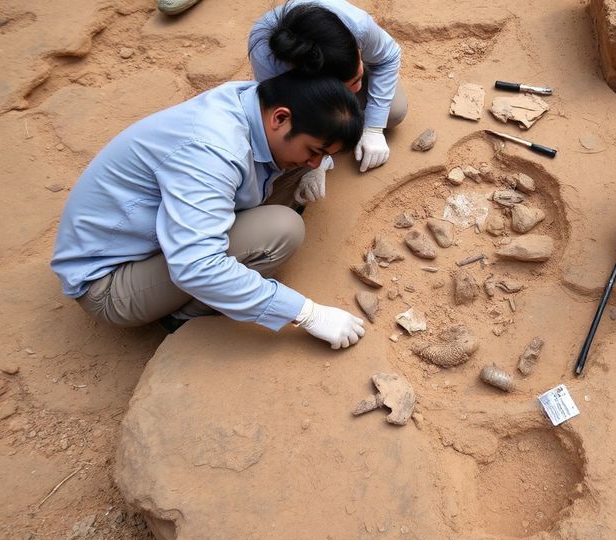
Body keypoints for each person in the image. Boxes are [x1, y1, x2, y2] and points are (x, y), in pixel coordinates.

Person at [51, 71, 368, 349]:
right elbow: (196, 266)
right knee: (282, 229)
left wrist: (317, 164)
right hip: (110, 284)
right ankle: (183, 316)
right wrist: (305, 313)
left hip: (145, 236)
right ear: (280, 118)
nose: (317, 161)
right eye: (314, 151)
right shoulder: (212, 152)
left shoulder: (251, 100)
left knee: (295, 168)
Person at [248, 0, 406, 206]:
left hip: (337, 63)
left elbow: (389, 57)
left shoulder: (357, 26)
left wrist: (374, 126)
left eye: (357, 78)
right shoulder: (269, 61)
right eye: (348, 87)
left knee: (394, 112)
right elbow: (293, 111)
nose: (357, 91)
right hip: (297, 82)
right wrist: (319, 163)